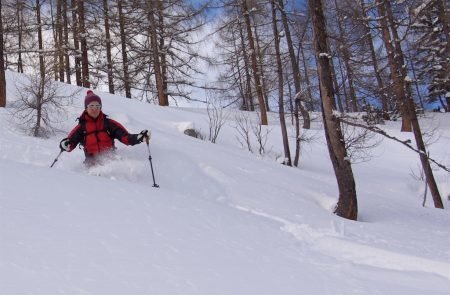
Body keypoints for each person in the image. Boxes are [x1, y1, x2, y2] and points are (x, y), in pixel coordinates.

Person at [59, 90, 149, 166]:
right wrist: (65, 144)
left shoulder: (109, 124)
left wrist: (139, 138)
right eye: (91, 106)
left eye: (97, 106)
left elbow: (125, 138)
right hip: (90, 166)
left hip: (111, 164)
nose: (95, 109)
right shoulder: (81, 128)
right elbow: (70, 143)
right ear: (86, 108)